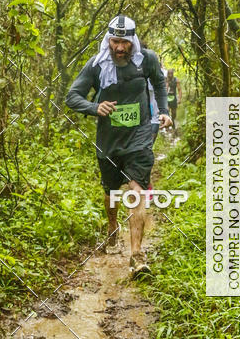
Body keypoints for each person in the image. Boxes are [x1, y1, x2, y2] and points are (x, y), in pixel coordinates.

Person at [65, 15, 171, 275]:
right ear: (108, 40)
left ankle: (137, 255)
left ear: (133, 41)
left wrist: (165, 110)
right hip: (109, 140)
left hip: (140, 135)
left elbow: (158, 82)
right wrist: (94, 107)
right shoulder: (97, 65)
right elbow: (72, 97)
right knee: (111, 190)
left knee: (137, 188)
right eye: (115, 41)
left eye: (125, 42)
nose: (120, 48)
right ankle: (112, 224)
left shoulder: (147, 60)